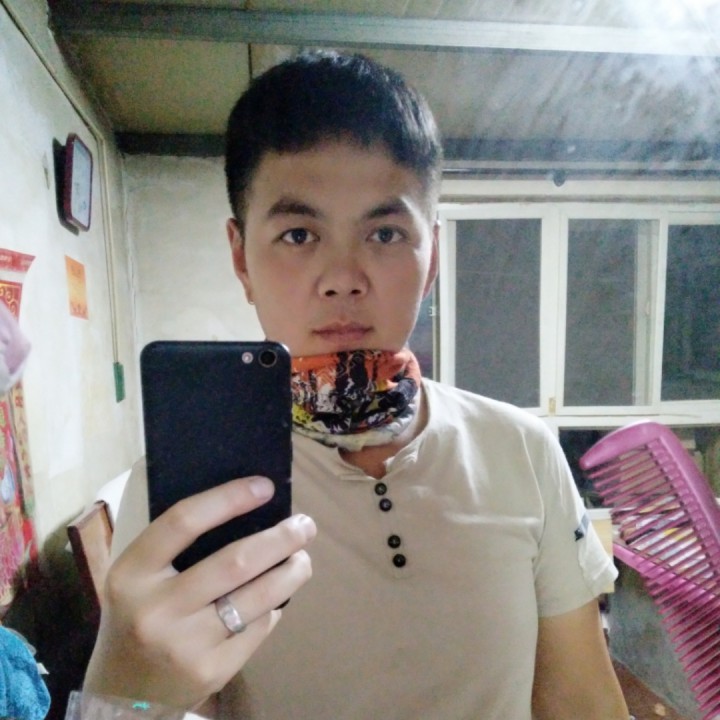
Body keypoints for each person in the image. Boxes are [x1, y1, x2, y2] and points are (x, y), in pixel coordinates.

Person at [83, 51, 629, 719]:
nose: (343, 278)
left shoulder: (522, 450)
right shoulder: (183, 492)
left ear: (431, 257)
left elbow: (582, 703)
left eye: (385, 232)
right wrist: (126, 692)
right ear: (241, 259)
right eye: (298, 234)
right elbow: (148, 694)